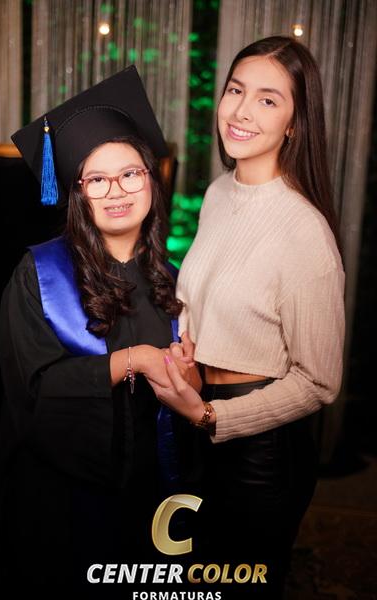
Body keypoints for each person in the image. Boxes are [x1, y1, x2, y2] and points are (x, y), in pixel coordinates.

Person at [150, 36, 346, 598]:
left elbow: (320, 381)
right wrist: (189, 359)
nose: (240, 111)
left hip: (262, 452)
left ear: (294, 123)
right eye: (236, 90)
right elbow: (207, 301)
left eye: (267, 99)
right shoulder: (218, 193)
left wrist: (214, 416)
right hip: (200, 422)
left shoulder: (304, 231)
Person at [0, 66, 195, 599]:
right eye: (97, 180)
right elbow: (31, 391)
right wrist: (135, 360)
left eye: (130, 174)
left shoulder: (177, 281)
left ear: (151, 179)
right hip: (58, 502)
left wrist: (191, 376)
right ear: (77, 192)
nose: (116, 191)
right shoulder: (40, 275)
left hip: (150, 496)